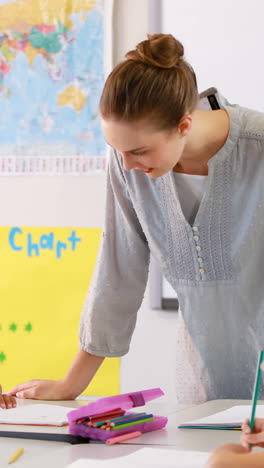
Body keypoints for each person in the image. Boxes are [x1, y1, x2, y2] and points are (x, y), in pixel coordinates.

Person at [6, 33, 264, 404]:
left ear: (184, 125)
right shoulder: (128, 164)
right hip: (204, 388)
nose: (127, 165)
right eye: (118, 151)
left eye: (139, 151)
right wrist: (70, 385)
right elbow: (117, 271)